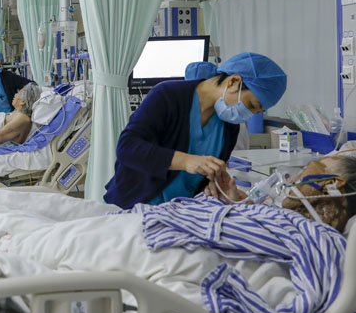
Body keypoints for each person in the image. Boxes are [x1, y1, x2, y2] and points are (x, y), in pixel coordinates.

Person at [104, 52, 287, 209]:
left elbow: (202, 182)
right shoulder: (167, 96)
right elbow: (127, 148)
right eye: (251, 105)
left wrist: (219, 189)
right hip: (132, 205)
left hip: (177, 212)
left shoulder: (229, 127)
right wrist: (185, 161)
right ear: (233, 81)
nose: (249, 114)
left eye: (257, 111)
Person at [206, 153, 356, 232]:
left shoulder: (318, 240)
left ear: (330, 184)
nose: (291, 180)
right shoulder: (287, 224)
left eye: (304, 172)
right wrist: (240, 207)